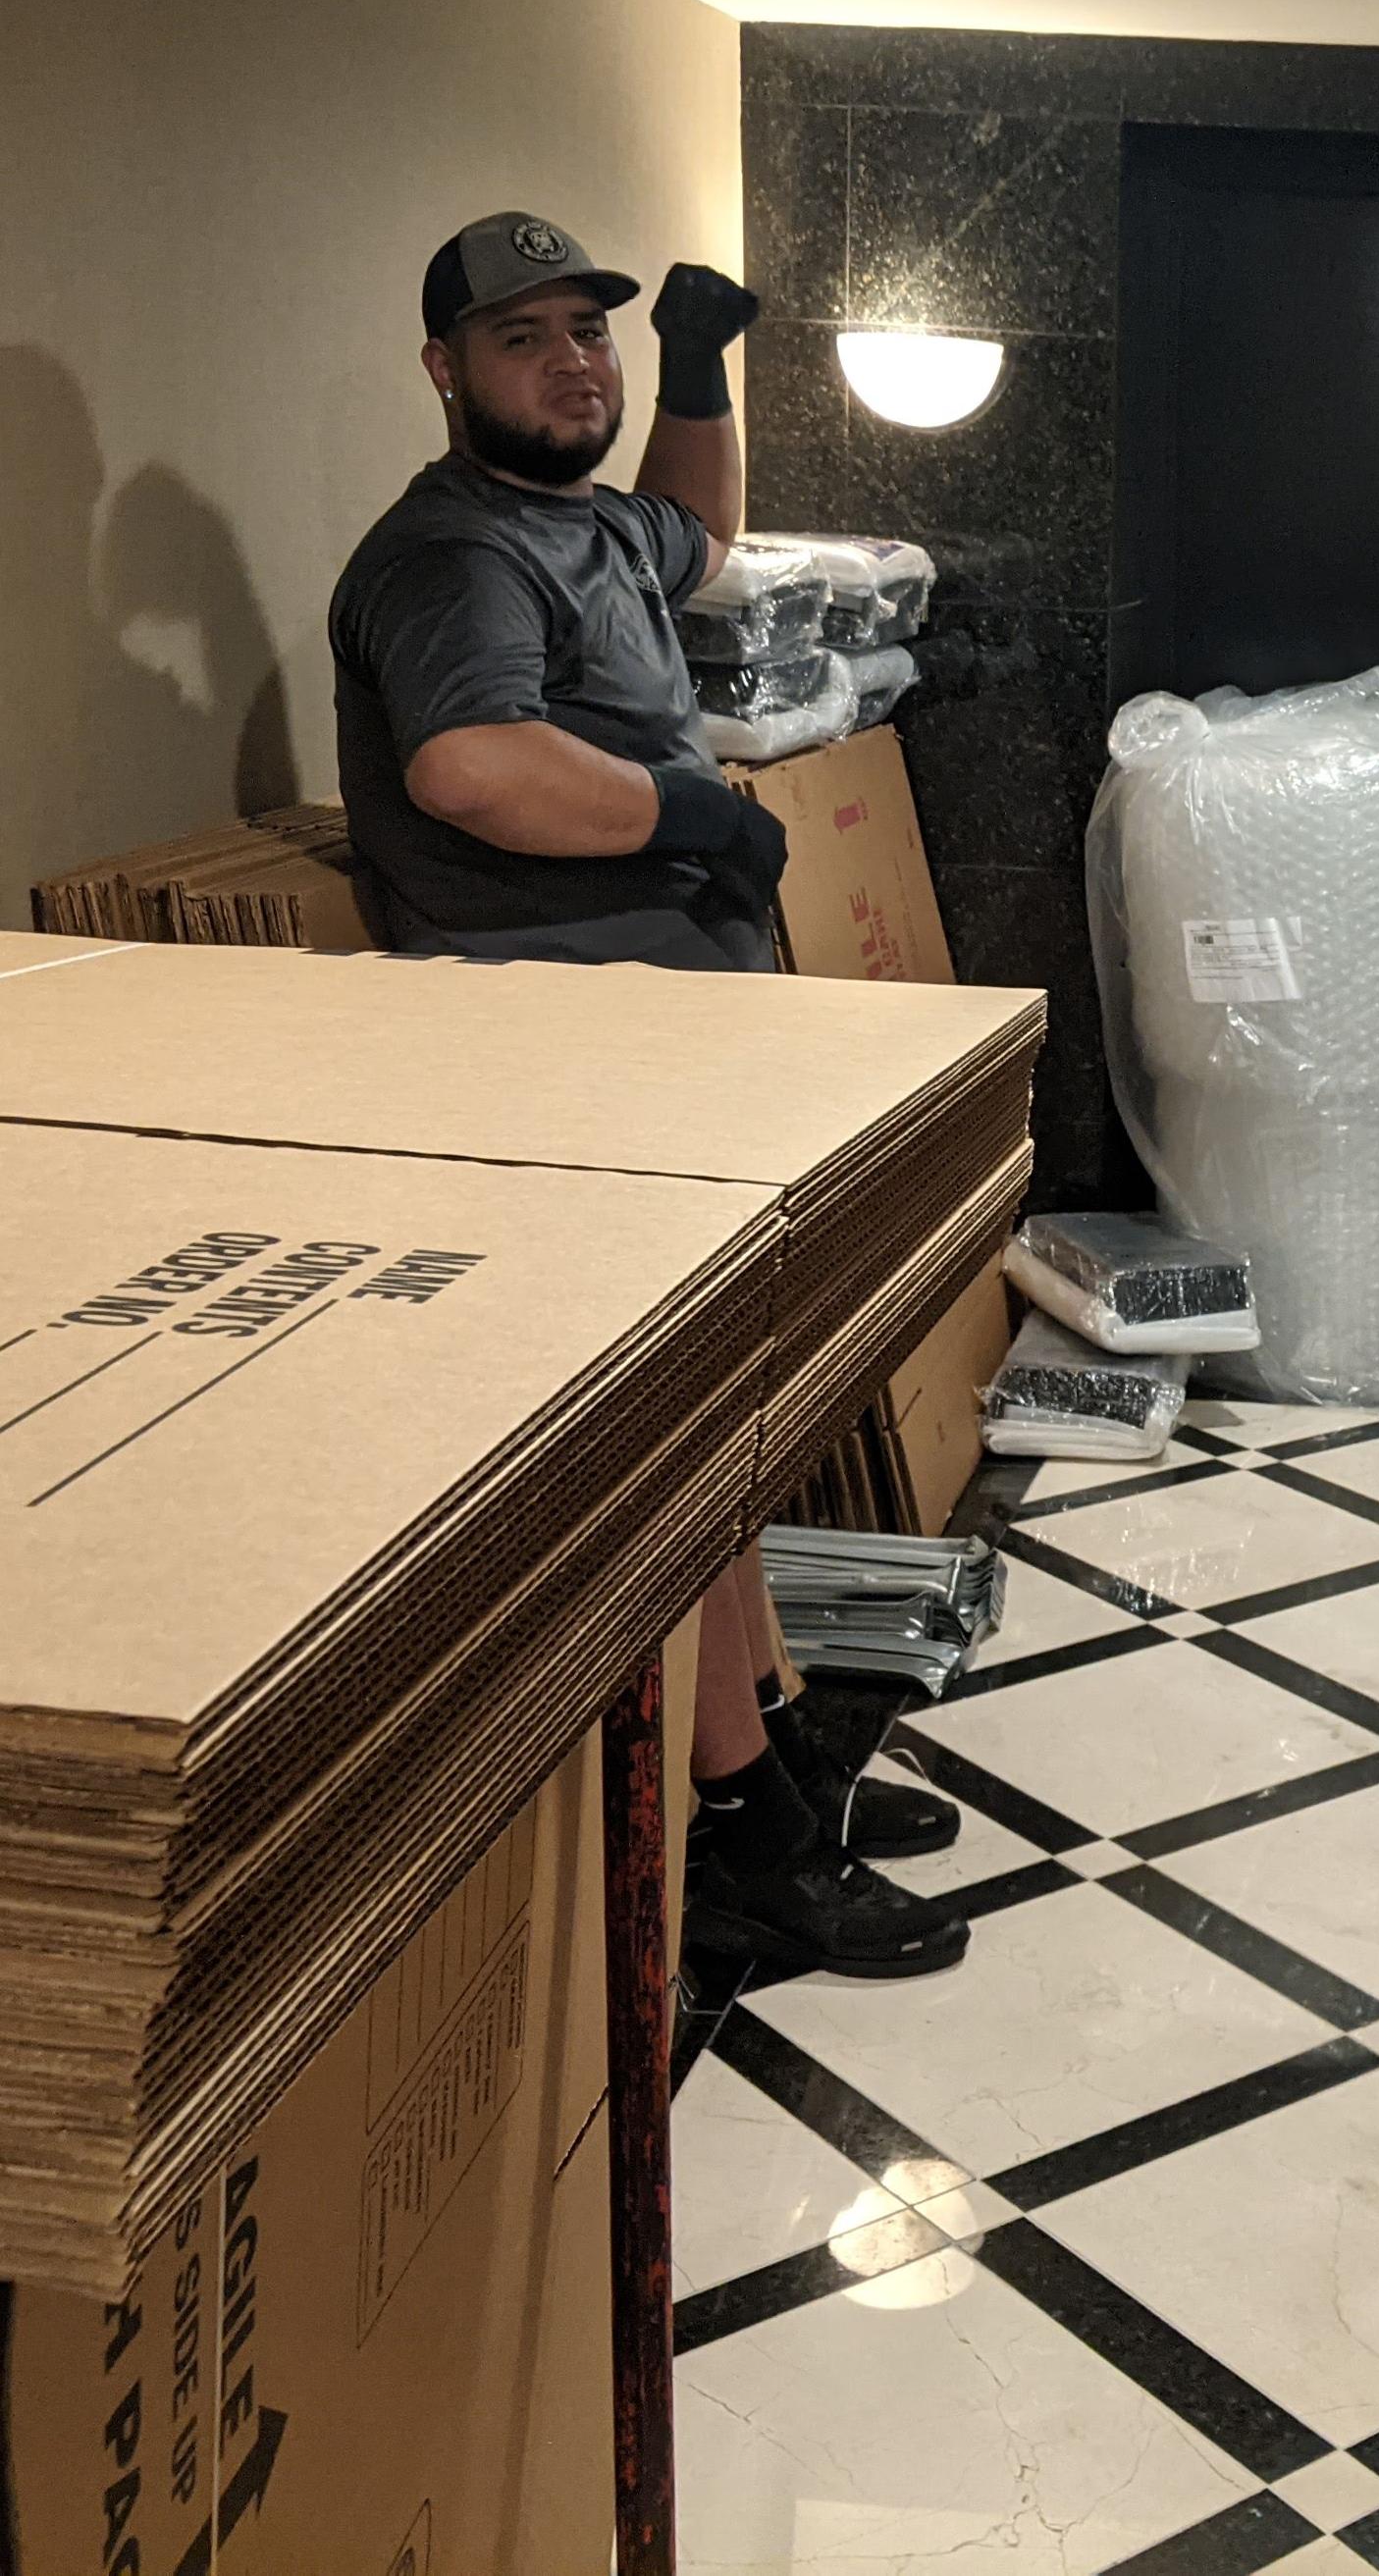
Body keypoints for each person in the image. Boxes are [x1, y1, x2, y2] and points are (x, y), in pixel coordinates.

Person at [331, 210, 966, 1980]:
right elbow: (467, 759)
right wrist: (693, 812)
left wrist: (699, 366)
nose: (571, 365)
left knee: (720, 1440)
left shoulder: (585, 522)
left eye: (588, 336)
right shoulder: (451, 551)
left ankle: (756, 1749)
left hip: (660, 1041)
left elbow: (703, 530)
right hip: (565, 1067)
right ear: (447, 367)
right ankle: (748, 1831)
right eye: (525, 338)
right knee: (673, 1461)